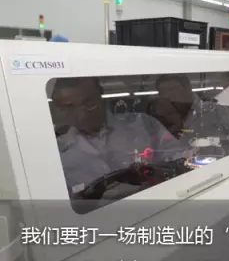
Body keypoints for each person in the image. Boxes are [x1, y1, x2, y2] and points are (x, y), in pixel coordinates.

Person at [52, 77, 185, 212]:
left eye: (89, 102)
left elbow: (181, 163)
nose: (82, 113)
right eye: (69, 107)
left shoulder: (144, 125)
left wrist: (147, 180)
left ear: (101, 95)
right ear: (59, 108)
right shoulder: (56, 153)